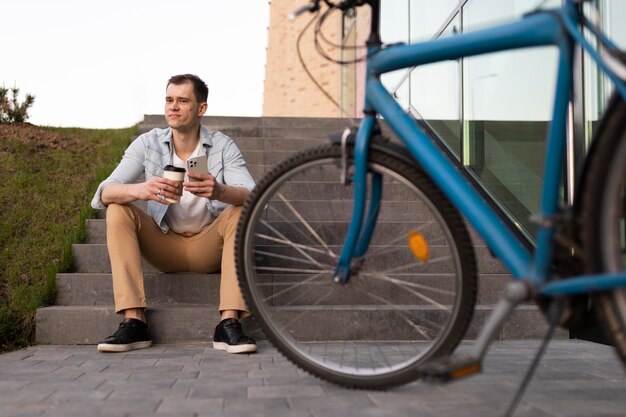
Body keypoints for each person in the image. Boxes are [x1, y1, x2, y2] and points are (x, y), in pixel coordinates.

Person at [91, 74, 257, 354]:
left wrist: (220, 191)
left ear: (201, 109)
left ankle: (228, 323)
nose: (173, 107)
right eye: (169, 100)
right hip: (165, 245)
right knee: (118, 209)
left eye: (182, 100)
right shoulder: (148, 143)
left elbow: (254, 195)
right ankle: (134, 321)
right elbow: (105, 192)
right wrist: (141, 189)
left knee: (241, 211)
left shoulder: (222, 145)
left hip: (209, 245)